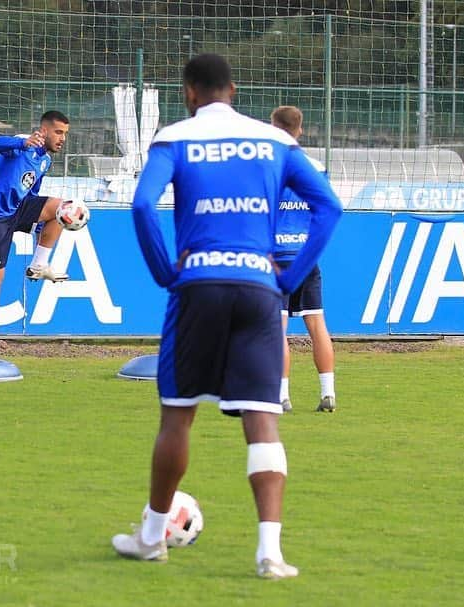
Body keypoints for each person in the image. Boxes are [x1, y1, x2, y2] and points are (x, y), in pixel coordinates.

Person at [110, 54, 342, 579]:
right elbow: (329, 206)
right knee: (262, 419)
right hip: (260, 288)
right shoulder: (276, 141)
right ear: (232, 90)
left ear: (189, 91)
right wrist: (289, 275)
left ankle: (151, 538)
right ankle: (270, 554)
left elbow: (144, 206)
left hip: (197, 285)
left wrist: (163, 271)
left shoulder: (174, 137)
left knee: (177, 415)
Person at [0, 110, 71, 362]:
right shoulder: (21, 144)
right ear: (44, 130)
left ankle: (38, 265)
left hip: (18, 209)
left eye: (65, 134)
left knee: (64, 209)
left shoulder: (45, 161)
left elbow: (32, 193)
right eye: (58, 132)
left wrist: (38, 226)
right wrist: (22, 142)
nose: (62, 139)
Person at [270, 106, 337, 413]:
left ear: (273, 126)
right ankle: (328, 393)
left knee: (277, 327)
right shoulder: (316, 166)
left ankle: (282, 395)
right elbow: (323, 208)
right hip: (306, 255)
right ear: (300, 129)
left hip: (277, 257)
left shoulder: (267, 164)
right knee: (317, 324)